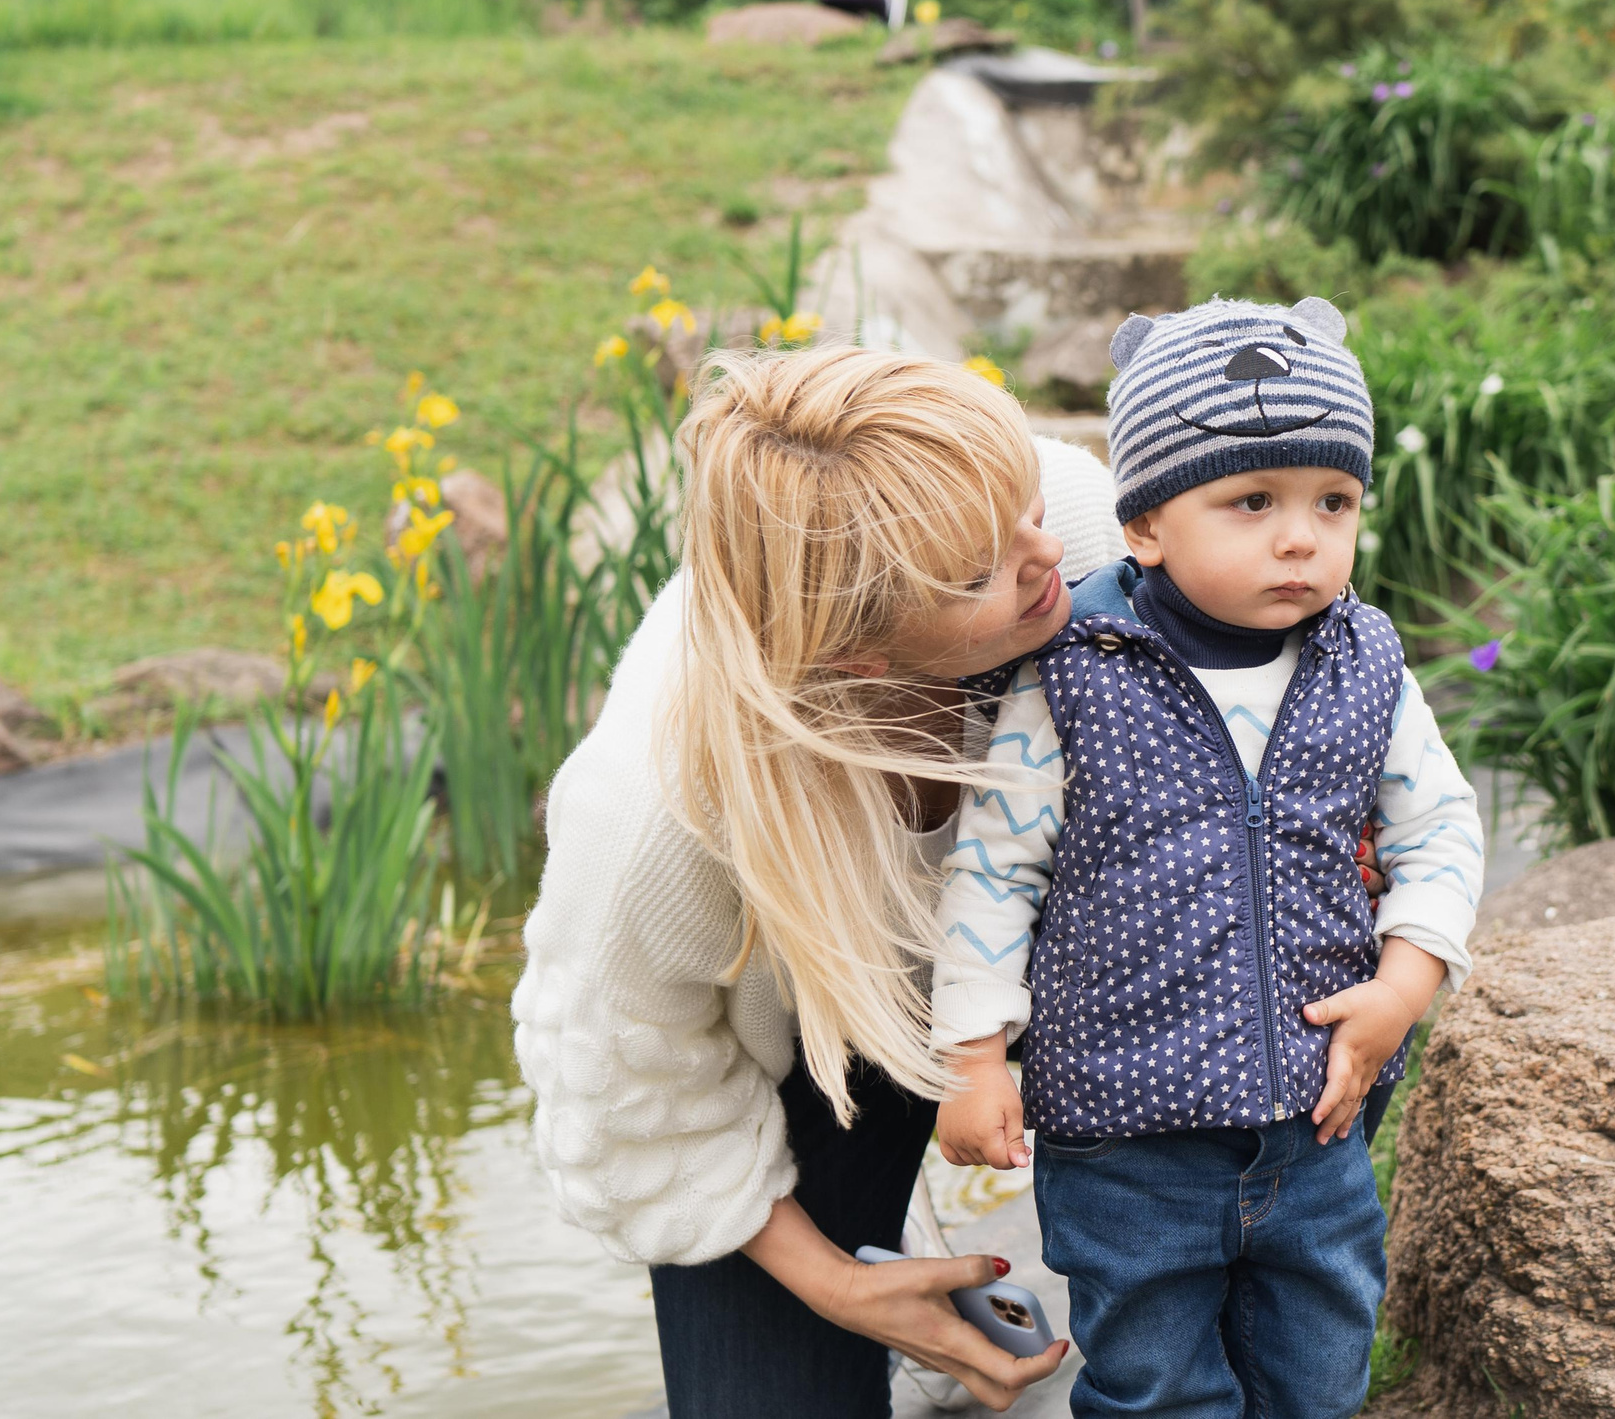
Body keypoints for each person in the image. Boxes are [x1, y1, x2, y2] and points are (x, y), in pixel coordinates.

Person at [512, 345, 1120, 1418]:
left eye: (1023, 501)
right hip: (818, 1048)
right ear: (860, 657)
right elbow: (631, 1102)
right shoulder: (655, 808)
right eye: (983, 571)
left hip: (1067, 957)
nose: (1050, 555)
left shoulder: (1057, 521)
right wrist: (847, 1290)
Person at [931, 296, 1488, 1419]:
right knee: (1153, 1387)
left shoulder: (1364, 660)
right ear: (1144, 527)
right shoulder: (1074, 668)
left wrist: (1406, 982)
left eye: (1334, 501)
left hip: (1313, 1130)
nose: (1302, 537)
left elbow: (1439, 830)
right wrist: (975, 1056)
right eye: (1252, 502)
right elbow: (997, 870)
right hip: (1124, 1143)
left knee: (1317, 1375)